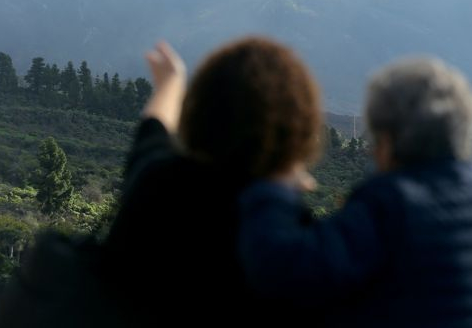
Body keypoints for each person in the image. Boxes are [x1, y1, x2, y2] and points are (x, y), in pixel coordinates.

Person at [239, 57, 472, 328]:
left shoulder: (394, 200)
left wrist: (277, 179)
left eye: (374, 137)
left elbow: (283, 270)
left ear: (390, 140)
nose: (369, 149)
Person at [100, 37, 323, 326]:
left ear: (199, 115)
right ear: (300, 136)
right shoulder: (294, 241)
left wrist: (172, 82)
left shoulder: (156, 184)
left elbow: (154, 126)